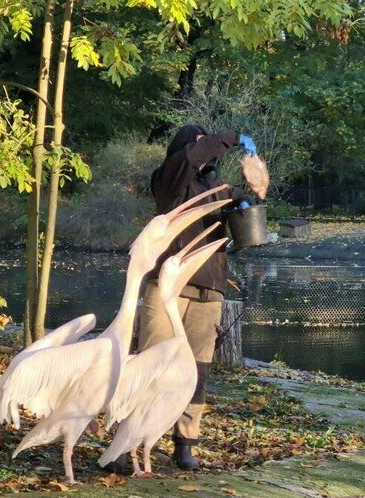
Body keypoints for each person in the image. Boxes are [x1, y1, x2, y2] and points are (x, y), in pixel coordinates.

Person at [106, 125, 266, 473]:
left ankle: (185, 443)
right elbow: (195, 154)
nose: (204, 148)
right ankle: (123, 444)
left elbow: (253, 204)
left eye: (205, 141)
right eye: (197, 142)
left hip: (210, 286)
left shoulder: (217, 188)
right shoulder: (170, 179)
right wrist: (234, 136)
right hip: (168, 287)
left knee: (196, 370)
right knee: (150, 364)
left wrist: (248, 198)